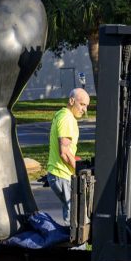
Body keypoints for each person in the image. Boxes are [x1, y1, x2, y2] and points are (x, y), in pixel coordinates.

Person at [46, 87, 90, 223]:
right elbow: (64, 152)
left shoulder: (63, 115)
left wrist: (77, 161)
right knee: (76, 216)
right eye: (82, 104)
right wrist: (80, 170)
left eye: (87, 106)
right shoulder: (67, 119)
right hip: (62, 174)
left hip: (59, 173)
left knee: (74, 212)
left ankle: (73, 242)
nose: (85, 110)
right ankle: (75, 244)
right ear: (72, 101)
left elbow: (67, 151)